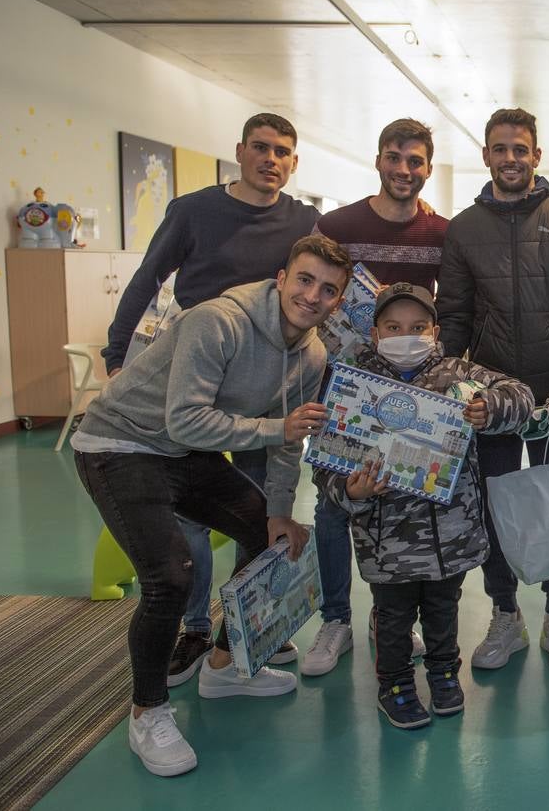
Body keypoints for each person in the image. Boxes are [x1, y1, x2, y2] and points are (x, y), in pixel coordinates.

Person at [72, 235, 353, 776]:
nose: (312, 295)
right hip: (119, 443)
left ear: (338, 301)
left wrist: (278, 511)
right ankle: (147, 713)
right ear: (281, 277)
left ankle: (225, 667)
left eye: (328, 289)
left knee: (264, 537)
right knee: (170, 577)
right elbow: (187, 418)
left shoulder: (313, 353)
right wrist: (277, 427)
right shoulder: (217, 321)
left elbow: (288, 443)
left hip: (182, 451)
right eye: (304, 279)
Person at [103, 113, 321, 685]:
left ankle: (245, 628)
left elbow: (324, 288)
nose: (270, 160)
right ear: (241, 152)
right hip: (196, 375)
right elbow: (149, 276)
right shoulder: (194, 210)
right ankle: (195, 629)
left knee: (259, 511)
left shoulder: (303, 219)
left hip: (263, 386)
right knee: (190, 526)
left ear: (294, 163)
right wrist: (116, 352)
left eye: (282, 152)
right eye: (260, 148)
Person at [312, 283, 533, 728]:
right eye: (393, 327)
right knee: (392, 619)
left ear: (435, 331)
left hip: (450, 537)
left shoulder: (459, 375)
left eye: (417, 327)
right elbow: (325, 463)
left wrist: (489, 407)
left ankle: (445, 675)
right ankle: (394, 684)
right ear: (375, 335)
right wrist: (350, 493)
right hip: (384, 541)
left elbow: (521, 396)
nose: (405, 335)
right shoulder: (353, 385)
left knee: (442, 609)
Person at [437, 107, 549, 671]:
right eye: (500, 148)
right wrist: (447, 389)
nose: (511, 158)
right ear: (486, 155)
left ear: (536, 155)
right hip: (491, 401)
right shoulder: (463, 229)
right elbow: (455, 316)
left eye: (521, 149)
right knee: (496, 508)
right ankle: (505, 615)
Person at [301, 118, 450, 677]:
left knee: (400, 499)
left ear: (428, 169)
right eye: (394, 157)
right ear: (379, 160)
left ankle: (388, 615)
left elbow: (449, 308)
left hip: (411, 394)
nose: (404, 169)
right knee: (334, 503)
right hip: (343, 386)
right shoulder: (337, 224)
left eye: (415, 161)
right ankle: (335, 619)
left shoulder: (441, 233)